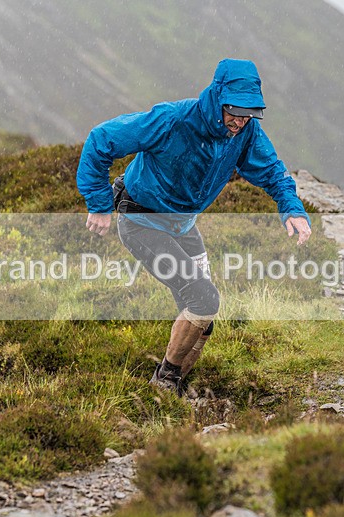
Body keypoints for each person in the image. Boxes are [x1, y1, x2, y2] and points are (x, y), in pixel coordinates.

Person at [77, 58, 312, 396]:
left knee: (204, 317)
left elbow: (272, 170)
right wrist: (99, 205)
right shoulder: (173, 119)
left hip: (183, 225)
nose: (240, 120)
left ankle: (178, 387)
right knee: (203, 298)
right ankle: (163, 383)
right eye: (234, 110)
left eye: (250, 113)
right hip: (142, 220)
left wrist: (292, 208)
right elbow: (101, 140)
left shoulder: (244, 132)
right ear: (218, 98)